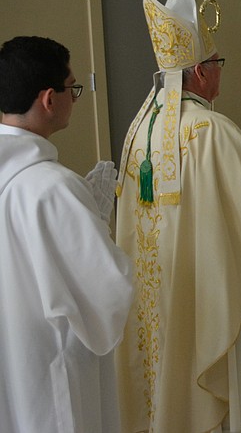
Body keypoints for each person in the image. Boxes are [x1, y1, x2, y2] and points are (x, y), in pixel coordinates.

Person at [114, 0, 241, 432]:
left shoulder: (140, 131)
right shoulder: (209, 131)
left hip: (163, 291)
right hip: (214, 291)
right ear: (198, 72)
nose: (220, 71)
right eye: (217, 63)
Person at [0, 36, 133, 433]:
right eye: (72, 87)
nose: (75, 96)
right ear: (48, 99)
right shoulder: (54, 187)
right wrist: (95, 225)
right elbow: (108, 290)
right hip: (52, 356)